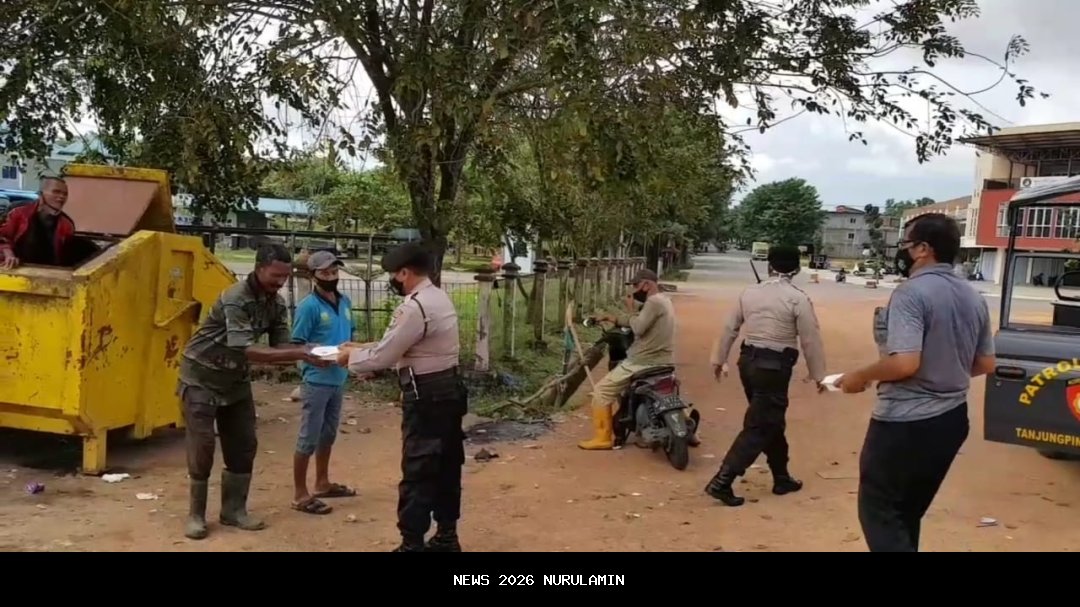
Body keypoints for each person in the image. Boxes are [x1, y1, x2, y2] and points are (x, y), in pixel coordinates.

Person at [837, 214, 994, 552]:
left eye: (907, 245)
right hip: (952, 420)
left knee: (879, 511)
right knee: (907, 513)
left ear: (924, 249)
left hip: (906, 423)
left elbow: (905, 363)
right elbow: (985, 363)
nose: (903, 252)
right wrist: (944, 372)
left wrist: (858, 377)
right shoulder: (973, 296)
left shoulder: (912, 293)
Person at [178, 243, 330, 540]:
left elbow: (282, 345)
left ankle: (233, 510)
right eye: (275, 275)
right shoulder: (236, 298)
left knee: (244, 444)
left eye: (285, 277)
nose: (280, 282)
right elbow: (246, 349)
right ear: (259, 268)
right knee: (202, 447)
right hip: (201, 377)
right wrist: (302, 354)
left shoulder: (275, 303)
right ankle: (196, 515)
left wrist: (311, 351)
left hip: (235, 381)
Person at [337, 241, 466, 552]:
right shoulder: (438, 297)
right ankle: (447, 537)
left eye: (394, 275)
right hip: (449, 389)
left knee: (418, 470)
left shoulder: (414, 306)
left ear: (405, 273)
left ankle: (411, 544)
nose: (393, 281)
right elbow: (409, 347)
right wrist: (362, 349)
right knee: (447, 466)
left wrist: (348, 358)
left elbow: (382, 357)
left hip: (426, 396)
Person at [704, 244, 826, 507]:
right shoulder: (798, 298)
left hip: (747, 363)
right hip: (775, 367)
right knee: (761, 424)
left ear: (769, 266)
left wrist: (718, 359)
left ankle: (781, 477)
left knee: (770, 420)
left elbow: (729, 327)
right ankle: (722, 481)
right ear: (797, 268)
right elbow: (810, 338)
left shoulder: (749, 293)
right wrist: (818, 375)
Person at [288, 250, 357, 516]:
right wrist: (319, 354)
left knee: (328, 434)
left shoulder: (345, 302)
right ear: (313, 275)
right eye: (325, 273)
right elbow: (297, 344)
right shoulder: (308, 307)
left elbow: (349, 337)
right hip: (316, 380)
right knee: (308, 437)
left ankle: (322, 482)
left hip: (338, 379)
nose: (331, 277)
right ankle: (299, 494)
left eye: (334, 272)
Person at [577, 268, 676, 451]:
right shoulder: (664, 301)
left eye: (637, 285)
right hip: (665, 360)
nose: (634, 290)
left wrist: (630, 309)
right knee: (669, 392)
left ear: (647, 285)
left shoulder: (653, 302)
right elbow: (643, 317)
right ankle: (688, 429)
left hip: (643, 361)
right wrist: (611, 318)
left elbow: (637, 327)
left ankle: (603, 438)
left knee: (601, 392)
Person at [0, 177, 75, 268]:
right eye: (56, 192)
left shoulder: (67, 224)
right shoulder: (18, 212)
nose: (61, 197)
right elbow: (2, 237)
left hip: (48, 273)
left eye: (65, 194)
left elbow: (66, 258)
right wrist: (8, 254)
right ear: (40, 194)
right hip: (13, 270)